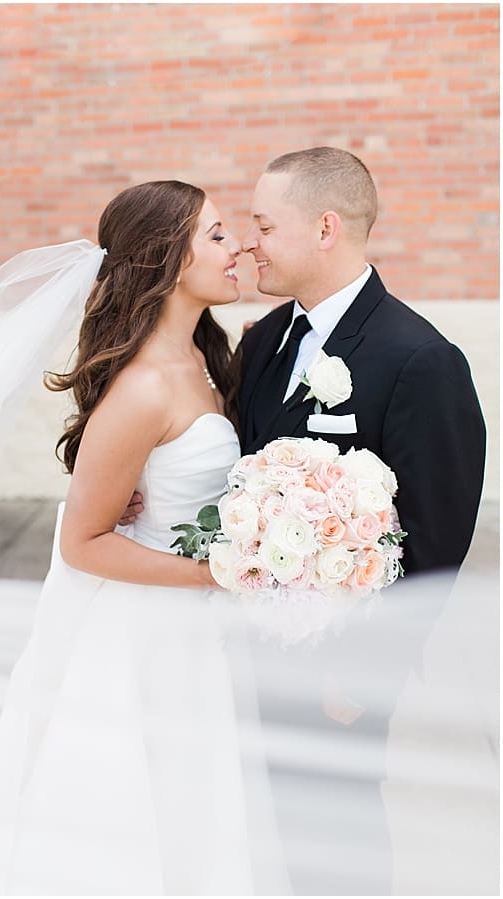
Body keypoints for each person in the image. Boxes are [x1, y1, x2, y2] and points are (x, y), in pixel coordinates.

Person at [0, 181, 283, 893]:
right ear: (168, 260)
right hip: (148, 627)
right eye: (217, 235)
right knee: (137, 803)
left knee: (195, 797)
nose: (238, 247)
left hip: (198, 624)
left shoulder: (206, 356)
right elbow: (83, 541)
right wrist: (217, 574)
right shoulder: (142, 387)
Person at [233, 147, 487, 894]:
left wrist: (365, 675)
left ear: (325, 228)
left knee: (338, 838)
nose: (250, 243)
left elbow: (436, 538)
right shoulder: (263, 341)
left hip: (341, 665)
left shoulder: (421, 359)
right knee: (284, 823)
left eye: (263, 226)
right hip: (257, 645)